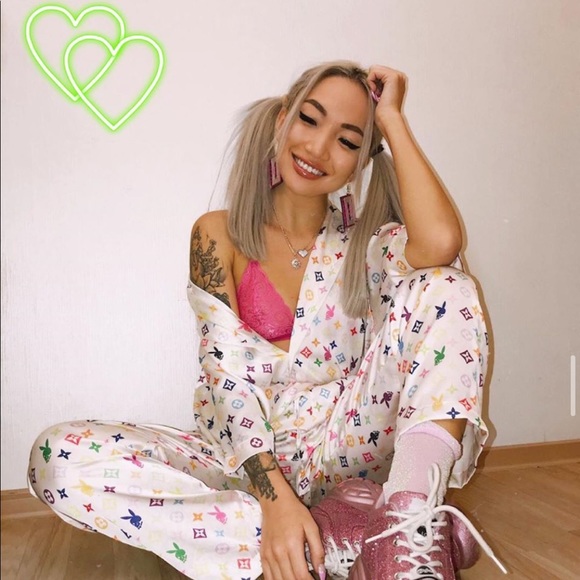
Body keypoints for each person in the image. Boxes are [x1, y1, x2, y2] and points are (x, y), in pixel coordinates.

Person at [27, 61, 507, 580]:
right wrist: (276, 502)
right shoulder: (218, 234)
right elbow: (225, 380)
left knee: (445, 285)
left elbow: (440, 243)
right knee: (59, 458)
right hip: (241, 457)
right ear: (282, 119)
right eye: (309, 119)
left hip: (346, 445)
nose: (318, 148)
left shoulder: (367, 245)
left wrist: (390, 118)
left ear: (361, 161)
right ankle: (340, 536)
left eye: (348, 141)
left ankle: (406, 523)